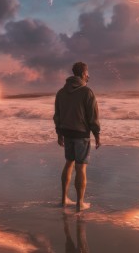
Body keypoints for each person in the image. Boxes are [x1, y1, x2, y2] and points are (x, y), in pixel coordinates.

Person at [54, 62, 101, 212]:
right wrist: (97, 135)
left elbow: (57, 116)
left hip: (67, 133)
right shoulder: (87, 92)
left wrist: (59, 133)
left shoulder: (61, 92)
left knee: (69, 163)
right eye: (87, 73)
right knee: (81, 168)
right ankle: (80, 204)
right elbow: (93, 117)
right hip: (81, 134)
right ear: (83, 74)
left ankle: (64, 199)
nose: (88, 76)